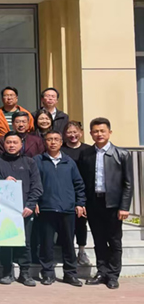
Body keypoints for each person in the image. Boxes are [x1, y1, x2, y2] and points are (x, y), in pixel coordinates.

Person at [79, 118, 133, 289]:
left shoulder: (122, 154)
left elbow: (128, 183)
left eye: (102, 131)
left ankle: (113, 275)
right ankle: (102, 271)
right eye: (95, 131)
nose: (99, 134)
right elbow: (82, 181)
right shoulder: (86, 154)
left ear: (109, 132)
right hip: (94, 203)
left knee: (114, 240)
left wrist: (124, 207)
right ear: (90, 134)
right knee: (99, 240)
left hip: (114, 204)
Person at [34, 130, 86, 287]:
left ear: (61, 142)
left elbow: (79, 184)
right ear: (45, 142)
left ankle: (70, 274)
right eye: (49, 139)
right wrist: (35, 201)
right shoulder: (37, 161)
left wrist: (80, 203)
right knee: (46, 244)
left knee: (68, 244)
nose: (53, 142)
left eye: (56, 139)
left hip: (67, 209)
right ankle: (48, 273)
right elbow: (33, 183)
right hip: (46, 208)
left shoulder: (69, 162)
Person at [0, 132, 43, 286]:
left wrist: (30, 205)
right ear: (4, 144)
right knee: (6, 241)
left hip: (24, 210)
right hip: (4, 210)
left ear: (21, 144)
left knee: (25, 242)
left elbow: (37, 186)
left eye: (15, 142)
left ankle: (25, 273)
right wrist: (2, 181)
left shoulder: (29, 162)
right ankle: (7, 272)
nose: (11, 145)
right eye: (8, 142)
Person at [61, 121, 93, 266]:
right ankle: (68, 252)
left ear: (81, 133)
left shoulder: (88, 150)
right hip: (66, 191)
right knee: (66, 224)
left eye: (75, 132)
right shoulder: (61, 150)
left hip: (83, 191)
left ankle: (81, 250)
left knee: (81, 223)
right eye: (69, 132)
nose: (72, 135)